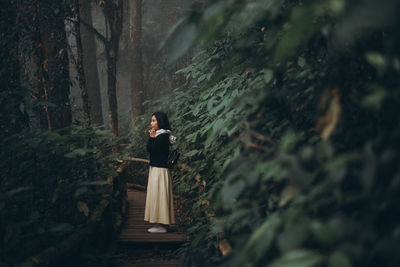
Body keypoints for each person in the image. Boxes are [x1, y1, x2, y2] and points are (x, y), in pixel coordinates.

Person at [144, 111, 176, 233]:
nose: (151, 123)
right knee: (158, 195)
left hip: (159, 170)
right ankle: (161, 223)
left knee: (159, 196)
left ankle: (160, 225)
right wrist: (152, 137)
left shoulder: (162, 136)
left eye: (154, 120)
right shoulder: (161, 135)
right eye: (151, 120)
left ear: (160, 122)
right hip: (158, 169)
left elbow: (151, 150)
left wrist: (151, 138)